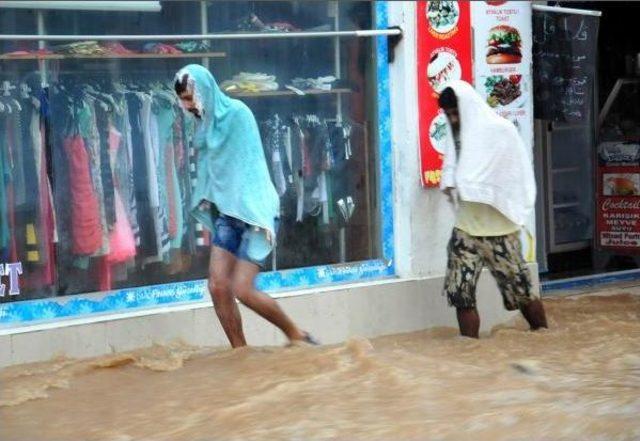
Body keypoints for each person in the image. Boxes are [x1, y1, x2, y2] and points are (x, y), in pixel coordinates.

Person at [174, 64, 318, 348]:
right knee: (217, 286)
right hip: (228, 215)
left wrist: (255, 210)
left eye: (190, 97)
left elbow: (251, 165)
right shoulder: (202, 127)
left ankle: (295, 334)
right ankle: (240, 352)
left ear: (205, 91)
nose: (187, 105)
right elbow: (212, 170)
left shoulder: (238, 114)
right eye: (183, 99)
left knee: (243, 289)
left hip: (255, 213)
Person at [438, 80, 548, 338]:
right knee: (460, 293)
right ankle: (469, 350)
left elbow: (516, 177)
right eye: (448, 115)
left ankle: (544, 337)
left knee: (521, 293)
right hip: (465, 230)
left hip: (501, 232)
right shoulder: (455, 137)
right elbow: (454, 171)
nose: (452, 119)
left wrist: (480, 184)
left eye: (455, 113)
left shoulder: (502, 132)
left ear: (468, 107)